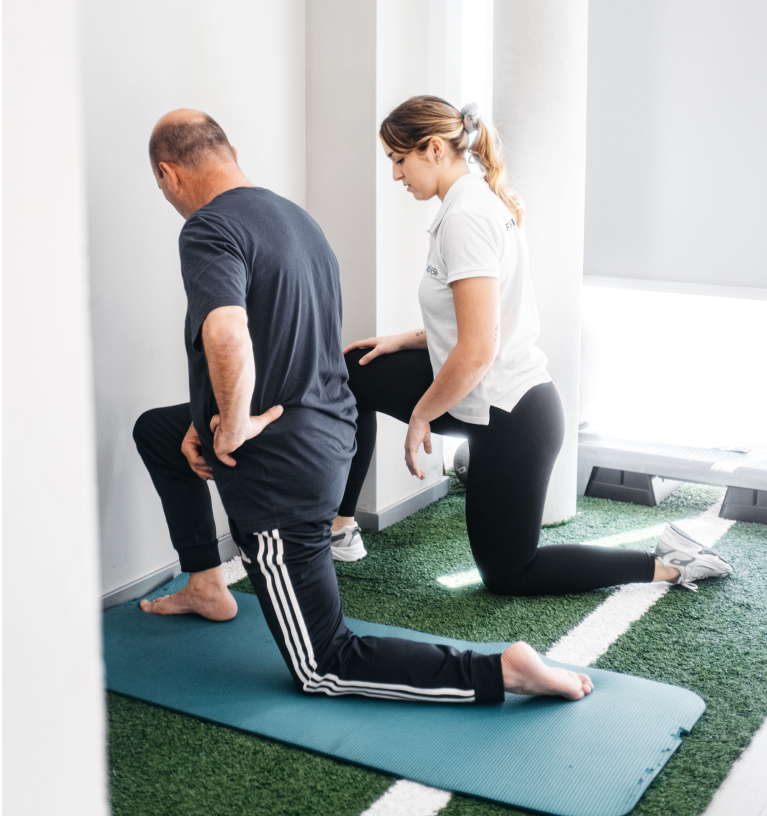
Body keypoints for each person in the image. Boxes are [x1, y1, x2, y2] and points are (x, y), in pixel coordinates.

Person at [132, 108, 595, 704]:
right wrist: (202, 420)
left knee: (324, 664)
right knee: (158, 432)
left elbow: (227, 334)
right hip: (328, 430)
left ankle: (500, 670)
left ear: (169, 175)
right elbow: (295, 350)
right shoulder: (295, 220)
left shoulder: (206, 228)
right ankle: (205, 581)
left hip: (281, 469)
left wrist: (230, 428)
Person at [334, 95, 733, 596]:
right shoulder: (468, 203)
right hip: (479, 393)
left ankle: (670, 563)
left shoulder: (467, 218)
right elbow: (479, 322)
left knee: (508, 573)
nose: (395, 175)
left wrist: (419, 418)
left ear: (433, 149)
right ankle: (339, 526)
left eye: (398, 159)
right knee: (353, 370)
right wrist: (403, 340)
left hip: (512, 417)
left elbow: (478, 349)